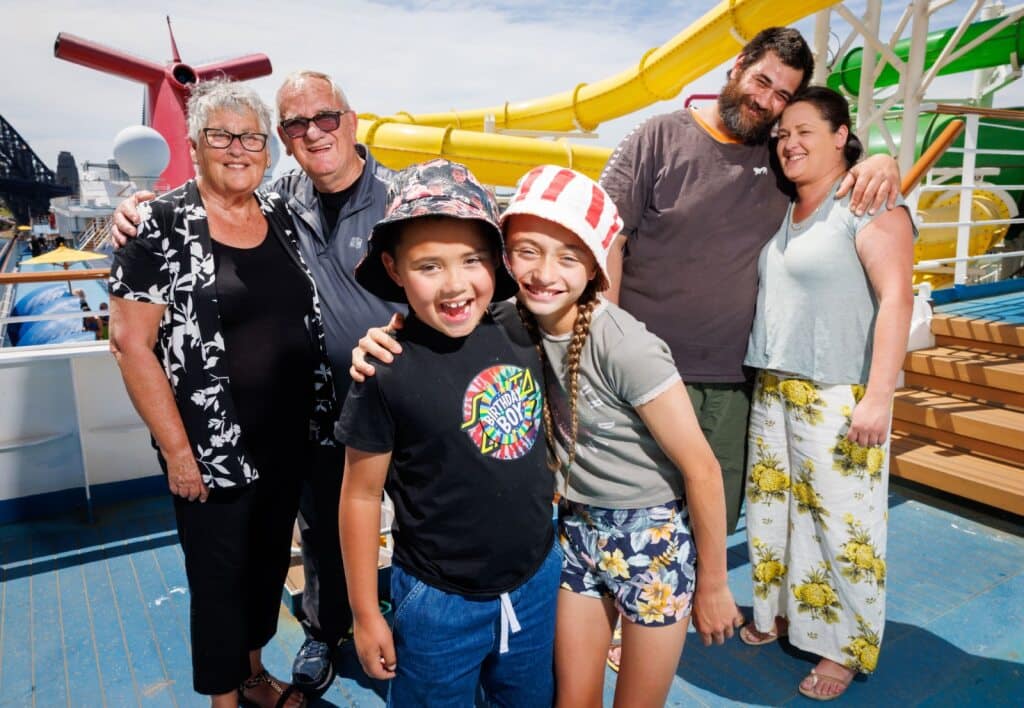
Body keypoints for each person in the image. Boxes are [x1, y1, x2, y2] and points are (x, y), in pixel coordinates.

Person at [352, 166, 745, 707]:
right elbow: (441, 327)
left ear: (595, 265)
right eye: (527, 252)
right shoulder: (509, 321)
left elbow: (702, 468)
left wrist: (714, 583)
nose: (543, 273)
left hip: (649, 538)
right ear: (506, 257)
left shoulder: (624, 345)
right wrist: (382, 339)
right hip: (574, 535)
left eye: (568, 256)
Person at [112, 70, 401, 696]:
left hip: (300, 433)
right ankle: (236, 689)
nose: (238, 149)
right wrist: (179, 452)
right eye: (221, 136)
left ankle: (254, 675)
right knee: (222, 580)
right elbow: (130, 343)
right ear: (194, 145)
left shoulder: (279, 209)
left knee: (268, 566)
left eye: (251, 137)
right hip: (213, 445)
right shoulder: (164, 222)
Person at [600, 27, 901, 541]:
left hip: (735, 385)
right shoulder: (659, 137)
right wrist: (607, 349)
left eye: (782, 95)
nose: (766, 101)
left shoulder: (779, 156)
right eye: (762, 81)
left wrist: (880, 160)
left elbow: (832, 163)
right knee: (633, 523)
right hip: (645, 375)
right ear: (738, 65)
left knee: (712, 527)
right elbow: (607, 241)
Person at [338, 159, 560, 706]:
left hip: (535, 581)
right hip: (438, 602)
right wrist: (366, 614)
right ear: (393, 268)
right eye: (429, 266)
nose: (456, 284)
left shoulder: (523, 326)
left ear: (496, 262)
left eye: (472, 260)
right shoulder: (384, 368)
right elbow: (361, 496)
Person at [738, 86, 914, 701]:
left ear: (841, 136)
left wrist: (879, 396)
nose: (789, 143)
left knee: (844, 528)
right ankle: (781, 614)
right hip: (774, 387)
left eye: (805, 131)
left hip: (838, 392)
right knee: (774, 516)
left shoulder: (867, 202)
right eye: (783, 134)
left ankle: (842, 647)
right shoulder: (789, 208)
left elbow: (897, 298)